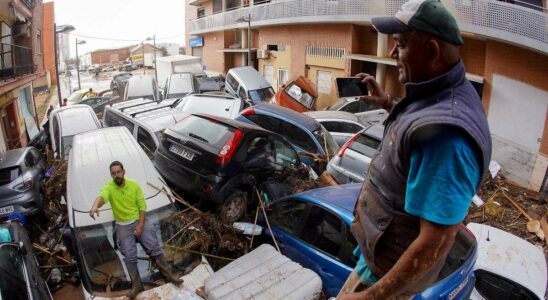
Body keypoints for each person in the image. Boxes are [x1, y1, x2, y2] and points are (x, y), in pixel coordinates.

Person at [339, 0, 492, 299]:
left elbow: (434, 244)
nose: (393, 54)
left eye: (400, 45)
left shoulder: (447, 138)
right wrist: (387, 103)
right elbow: (420, 121)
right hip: (377, 259)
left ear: (432, 52)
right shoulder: (439, 93)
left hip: (383, 278)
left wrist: (370, 297)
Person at [89, 161, 182, 298]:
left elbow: (142, 207)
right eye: (113, 173)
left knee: (154, 247)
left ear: (123, 172)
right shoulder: (109, 187)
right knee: (129, 256)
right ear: (111, 175)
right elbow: (102, 196)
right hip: (122, 225)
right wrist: (95, 206)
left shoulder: (134, 185)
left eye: (118, 172)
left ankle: (169, 276)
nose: (116, 175)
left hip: (139, 219)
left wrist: (140, 225)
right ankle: (137, 285)